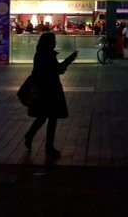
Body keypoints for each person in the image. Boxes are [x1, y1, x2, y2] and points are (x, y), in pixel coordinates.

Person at [24, 31, 78, 160]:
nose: (55, 42)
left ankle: (34, 137)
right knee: (50, 118)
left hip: (46, 90)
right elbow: (55, 70)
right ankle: (47, 147)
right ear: (48, 42)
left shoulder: (41, 54)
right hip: (49, 90)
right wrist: (69, 60)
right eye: (53, 40)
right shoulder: (46, 55)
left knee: (44, 117)